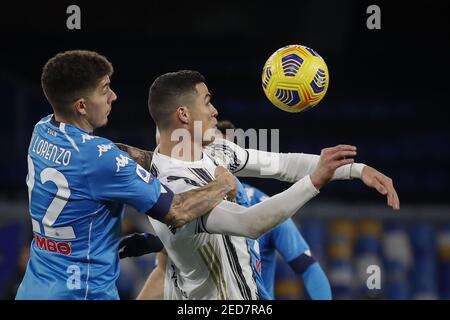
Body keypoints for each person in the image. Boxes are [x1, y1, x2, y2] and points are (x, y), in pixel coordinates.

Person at [118, 70, 399, 300]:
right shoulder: (174, 188)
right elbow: (249, 223)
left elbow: (283, 165)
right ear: (184, 114)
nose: (215, 111)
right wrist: (314, 182)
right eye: (207, 102)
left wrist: (356, 170)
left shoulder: (216, 152)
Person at [15, 51, 237, 300]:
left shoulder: (42, 130)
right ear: (81, 106)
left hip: (33, 290)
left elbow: (110, 160)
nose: (113, 96)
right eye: (105, 89)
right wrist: (221, 184)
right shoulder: (100, 159)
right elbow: (177, 211)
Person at [216, 120, 332, 300]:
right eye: (211, 151)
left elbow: (308, 268)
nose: (218, 160)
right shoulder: (186, 206)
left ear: (237, 159)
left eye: (225, 152)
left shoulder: (264, 207)